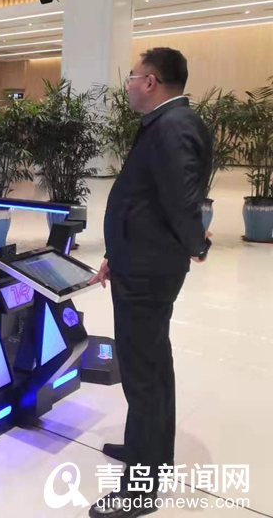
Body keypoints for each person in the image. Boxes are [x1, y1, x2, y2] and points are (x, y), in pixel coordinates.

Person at [89, 48, 213, 518]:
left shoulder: (174, 127)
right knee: (152, 365)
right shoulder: (165, 123)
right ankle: (150, 453)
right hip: (137, 262)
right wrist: (114, 255)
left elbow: (182, 202)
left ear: (152, 81)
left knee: (143, 375)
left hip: (148, 272)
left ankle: (139, 489)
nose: (127, 85)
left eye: (132, 76)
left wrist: (196, 245)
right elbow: (142, 201)